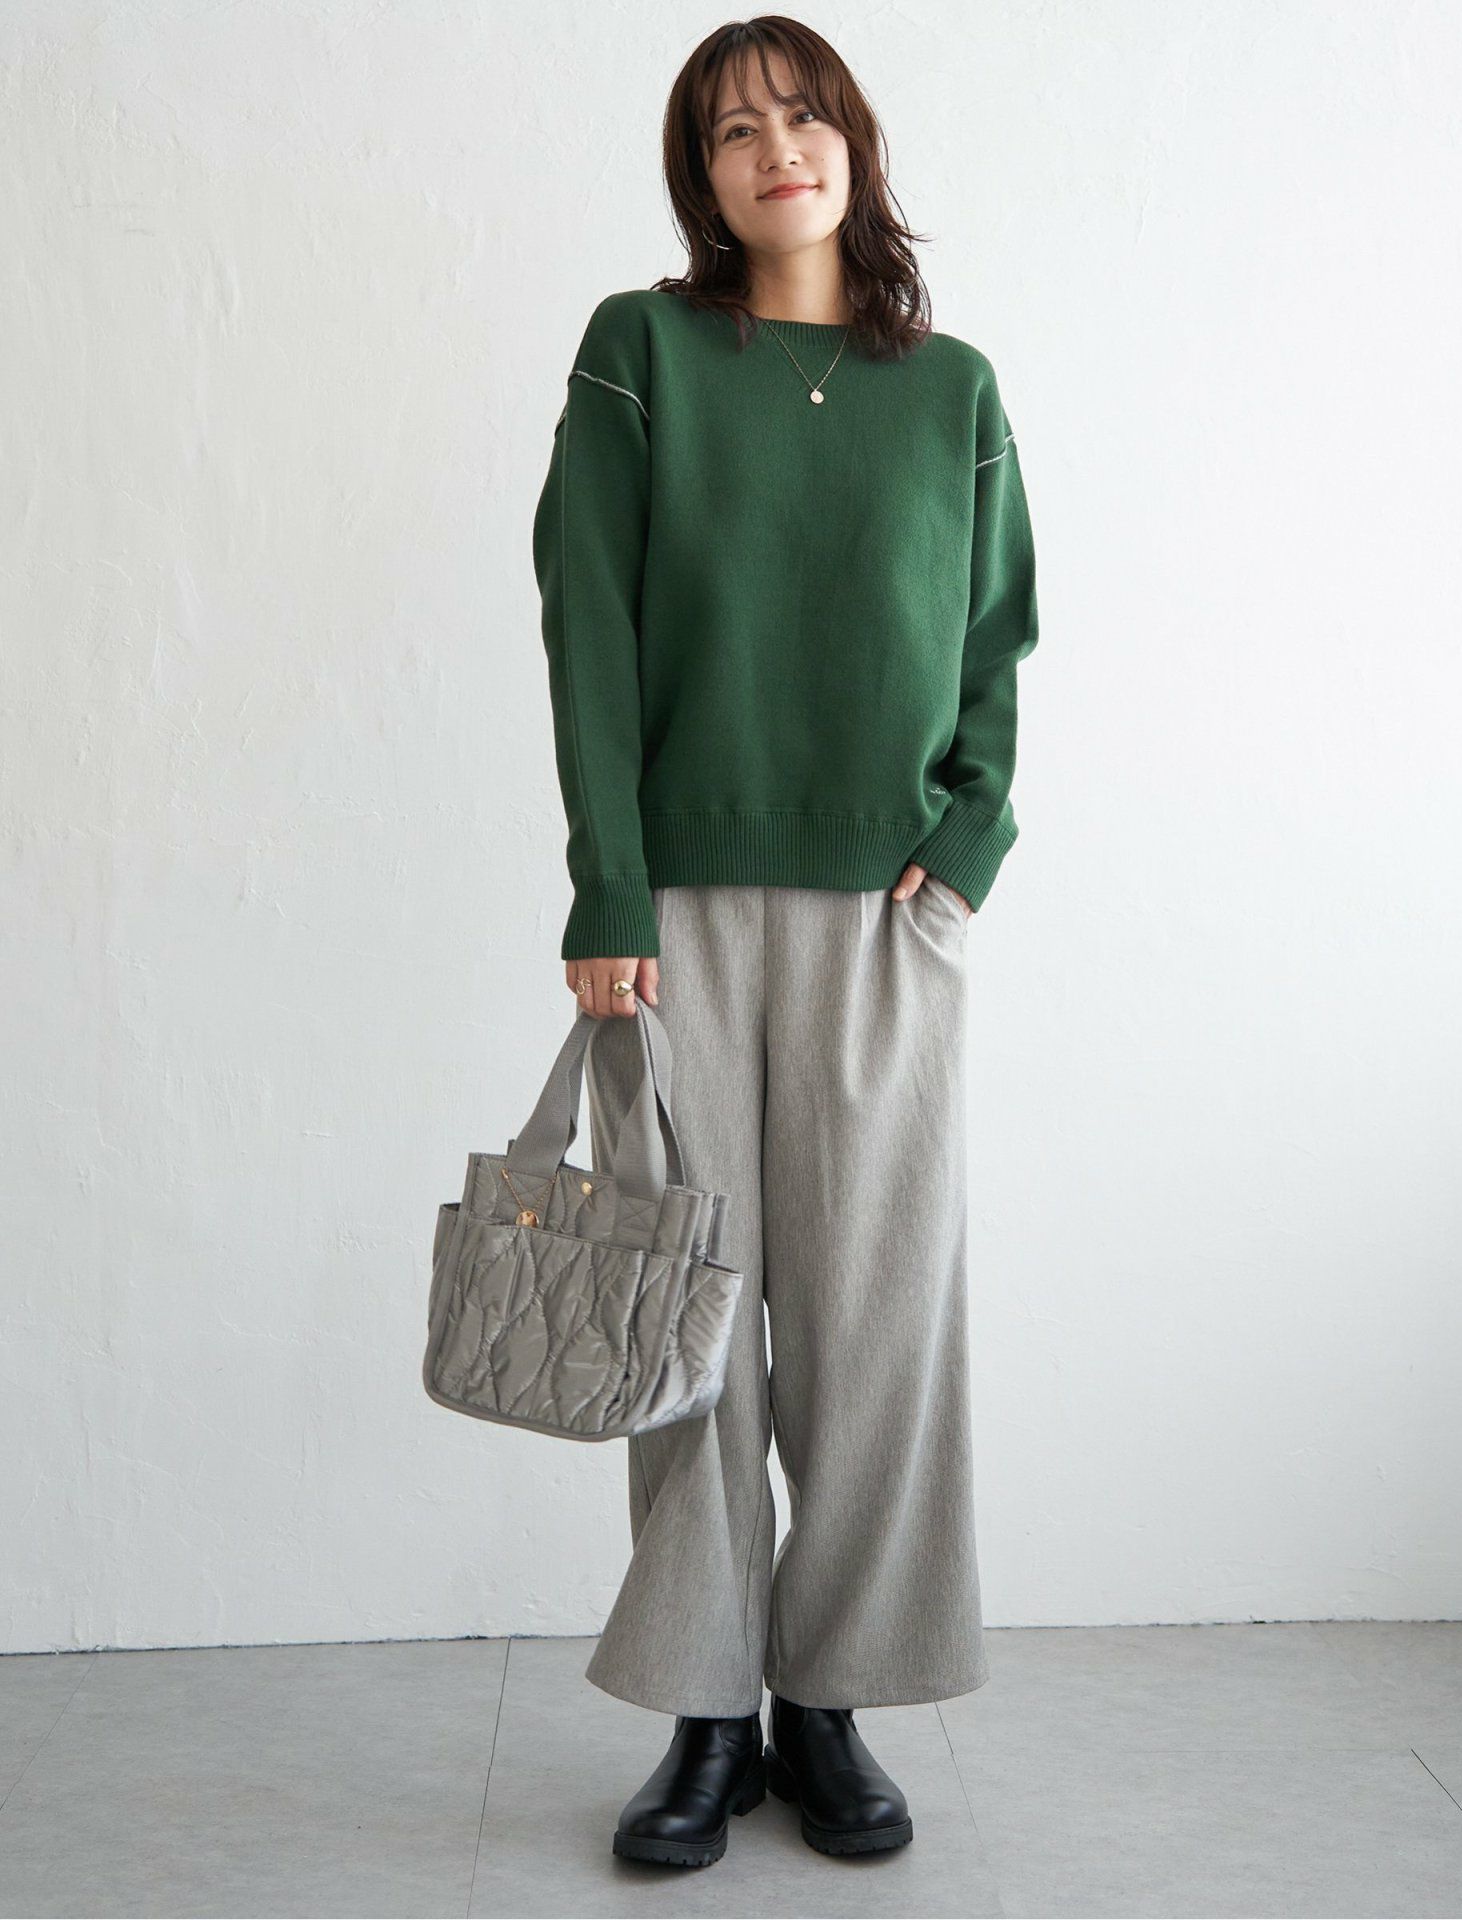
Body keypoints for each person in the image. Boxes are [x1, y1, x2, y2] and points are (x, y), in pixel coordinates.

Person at [531, 13, 1040, 1870]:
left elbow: (997, 641)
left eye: (804, 115)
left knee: (876, 1324)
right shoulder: (642, 351)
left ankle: (830, 1701)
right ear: (703, 174)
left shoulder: (953, 387)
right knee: (692, 1322)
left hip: (890, 917)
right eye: (736, 128)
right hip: (676, 915)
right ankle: (704, 1714)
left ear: (855, 143)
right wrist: (608, 887)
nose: (778, 149)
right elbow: (587, 621)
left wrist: (968, 847)